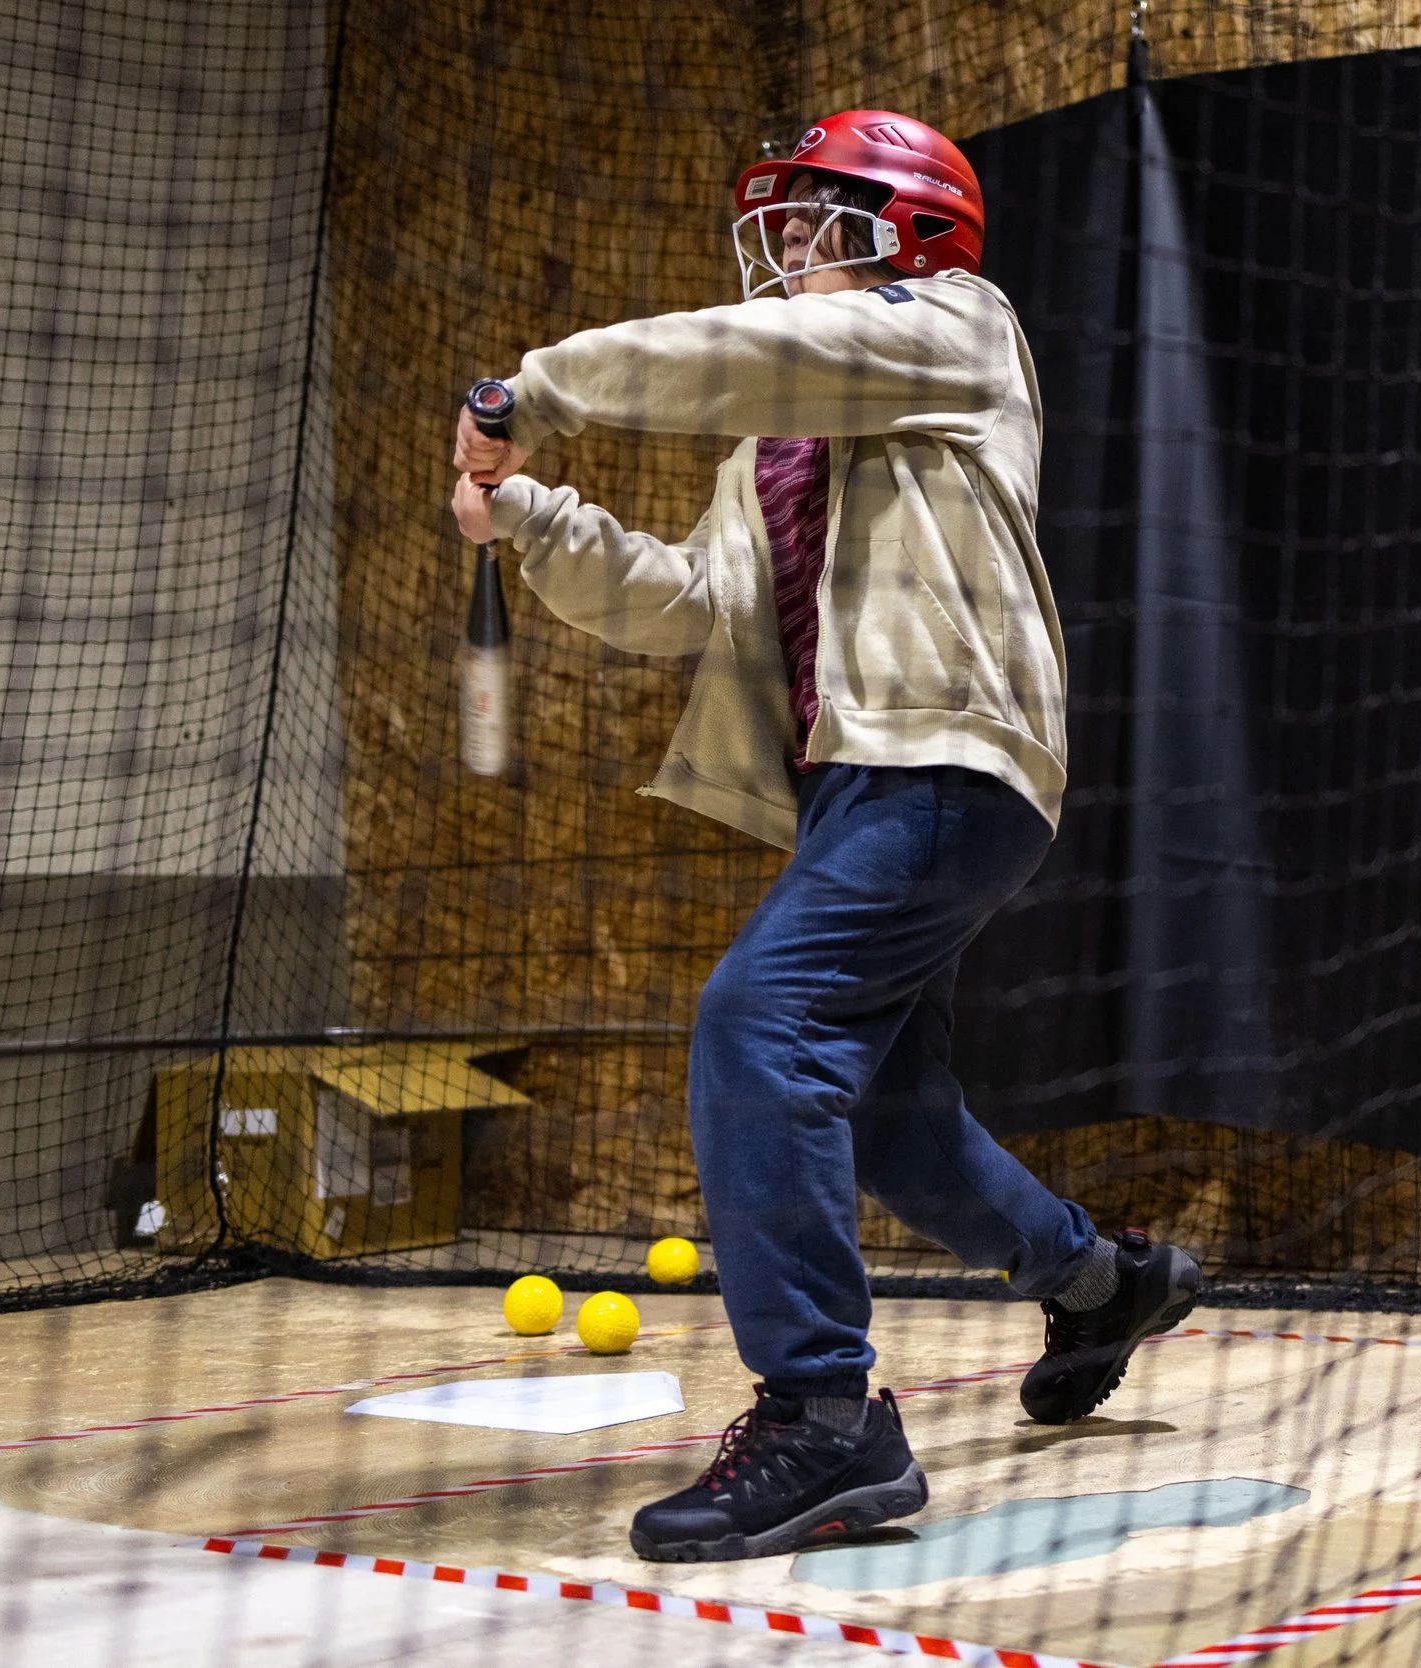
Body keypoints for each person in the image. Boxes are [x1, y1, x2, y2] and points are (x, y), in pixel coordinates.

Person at [447, 109, 1201, 1564]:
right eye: (778, 228)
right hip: (852, 786)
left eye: (814, 222)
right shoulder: (776, 442)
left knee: (764, 1025)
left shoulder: (954, 329)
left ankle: (825, 1420)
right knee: (891, 1120)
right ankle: (1102, 1282)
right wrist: (531, 516)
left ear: (906, 225)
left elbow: (755, 352)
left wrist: (540, 393)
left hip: (946, 759)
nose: (786, 252)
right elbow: (687, 602)